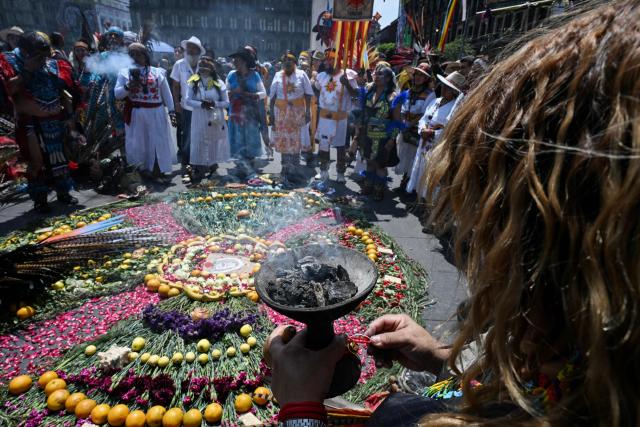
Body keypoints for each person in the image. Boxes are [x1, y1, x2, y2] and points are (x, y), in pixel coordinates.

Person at [267, 1, 640, 426]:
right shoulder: (585, 359)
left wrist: (299, 410)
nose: (475, 253)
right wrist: (445, 358)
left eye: (491, 226)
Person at [1, 32, 81, 212]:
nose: (43, 58)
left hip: (55, 120)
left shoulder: (54, 64)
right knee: (36, 162)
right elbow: (8, 90)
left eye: (44, 54)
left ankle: (64, 193)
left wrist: (69, 118)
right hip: (31, 123)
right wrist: (27, 71)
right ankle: (40, 199)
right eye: (38, 54)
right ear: (25, 50)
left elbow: (65, 92)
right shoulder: (9, 63)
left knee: (60, 158)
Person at [114, 43, 177, 183]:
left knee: (158, 141)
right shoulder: (124, 72)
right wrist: (128, 86)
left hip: (156, 112)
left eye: (138, 54)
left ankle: (157, 169)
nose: (135, 57)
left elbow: (167, 94)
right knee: (138, 143)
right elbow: (117, 94)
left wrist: (172, 111)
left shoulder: (157, 72)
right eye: (132, 54)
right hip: (137, 113)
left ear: (145, 56)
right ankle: (141, 170)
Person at [406, 72, 465, 207]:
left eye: (448, 88)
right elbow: (424, 118)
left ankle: (431, 205)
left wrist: (433, 133)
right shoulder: (435, 101)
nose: (444, 89)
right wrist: (423, 129)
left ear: (454, 92)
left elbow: (451, 129)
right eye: (443, 86)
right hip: (424, 141)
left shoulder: (455, 108)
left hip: (437, 145)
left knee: (432, 174)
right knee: (420, 169)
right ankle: (420, 199)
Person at [353, 66, 401, 201]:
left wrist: (392, 140)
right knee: (369, 161)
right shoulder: (369, 92)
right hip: (367, 135)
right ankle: (368, 187)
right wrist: (358, 132)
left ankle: (378, 190)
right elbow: (362, 113)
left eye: (380, 74)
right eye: (376, 74)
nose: (376, 76)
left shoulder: (393, 97)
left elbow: (397, 121)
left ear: (388, 78)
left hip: (383, 138)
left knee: (380, 164)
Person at [314, 48, 359, 182]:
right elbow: (317, 89)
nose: (327, 62)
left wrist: (348, 85)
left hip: (340, 118)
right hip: (324, 118)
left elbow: (356, 95)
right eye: (326, 59)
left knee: (340, 146)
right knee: (323, 145)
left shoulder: (347, 76)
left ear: (339, 60)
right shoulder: (321, 76)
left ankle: (340, 172)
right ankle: (323, 171)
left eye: (331, 59)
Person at [269, 51, 313, 184]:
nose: (288, 62)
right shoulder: (277, 75)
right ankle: (284, 169)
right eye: (285, 60)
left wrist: (307, 112)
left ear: (295, 63)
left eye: (291, 60)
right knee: (284, 142)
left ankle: (294, 171)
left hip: (297, 113)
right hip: (281, 114)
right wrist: (271, 114)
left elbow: (308, 94)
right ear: (282, 63)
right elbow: (272, 97)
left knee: (295, 142)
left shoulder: (302, 74)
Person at [185, 56, 230, 184]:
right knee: (198, 140)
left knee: (213, 141)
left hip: (215, 116)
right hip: (199, 116)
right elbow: (187, 100)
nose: (203, 69)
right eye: (201, 66)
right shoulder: (193, 82)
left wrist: (214, 103)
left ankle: (213, 167)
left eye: (206, 66)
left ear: (212, 68)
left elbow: (226, 103)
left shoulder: (219, 83)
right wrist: (201, 104)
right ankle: (199, 168)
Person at [395, 63, 436, 193]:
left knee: (414, 158)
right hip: (405, 128)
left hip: (418, 131)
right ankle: (404, 181)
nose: (418, 77)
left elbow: (425, 114)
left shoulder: (430, 95)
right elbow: (402, 108)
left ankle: (410, 186)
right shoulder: (408, 91)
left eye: (422, 75)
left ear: (426, 79)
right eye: (417, 74)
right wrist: (402, 123)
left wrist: (410, 126)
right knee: (404, 155)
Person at [226, 46, 266, 177]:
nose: (234, 62)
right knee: (237, 137)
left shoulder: (254, 75)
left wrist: (250, 95)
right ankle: (240, 164)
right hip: (236, 112)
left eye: (236, 60)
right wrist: (233, 92)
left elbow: (263, 93)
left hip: (250, 112)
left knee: (250, 136)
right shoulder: (231, 75)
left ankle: (250, 162)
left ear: (244, 61)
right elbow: (224, 93)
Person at [170, 36, 205, 175]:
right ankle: (187, 162)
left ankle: (200, 160)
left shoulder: (203, 64)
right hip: (186, 106)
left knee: (202, 135)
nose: (190, 50)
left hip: (202, 106)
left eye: (194, 48)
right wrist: (176, 103)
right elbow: (175, 85)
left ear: (198, 51)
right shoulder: (179, 64)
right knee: (187, 135)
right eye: (189, 47)